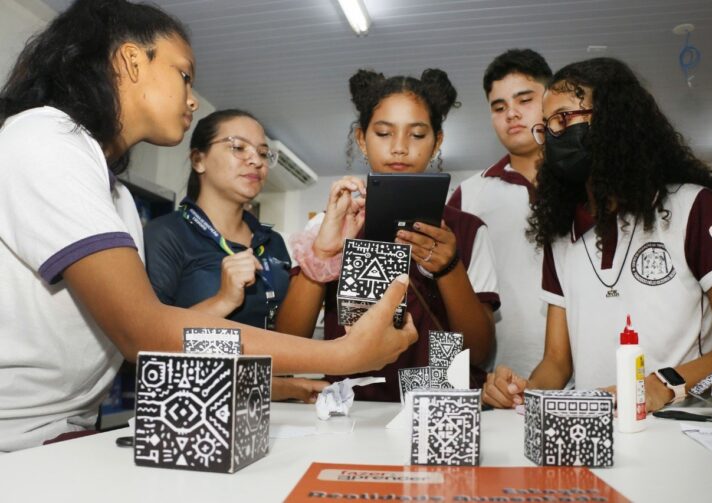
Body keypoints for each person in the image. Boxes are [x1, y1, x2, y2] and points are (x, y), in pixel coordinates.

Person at [0, 0, 416, 452]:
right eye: (184, 76)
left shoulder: (114, 193)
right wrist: (342, 354)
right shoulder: (45, 137)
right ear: (131, 60)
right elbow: (145, 332)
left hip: (63, 433)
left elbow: (157, 335)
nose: (193, 98)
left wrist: (282, 381)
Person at [482, 57, 712, 412]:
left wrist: (666, 386)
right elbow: (556, 362)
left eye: (564, 118)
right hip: (595, 429)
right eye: (547, 127)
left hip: (682, 430)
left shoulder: (691, 206)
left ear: (613, 119)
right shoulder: (562, 232)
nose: (554, 135)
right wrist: (523, 392)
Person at [276, 69, 500, 401]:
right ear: (362, 139)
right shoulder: (330, 224)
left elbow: (479, 353)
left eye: (417, 135)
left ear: (437, 141)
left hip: (439, 412)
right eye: (383, 133)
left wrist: (450, 268)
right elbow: (288, 343)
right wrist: (322, 254)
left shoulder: (466, 230)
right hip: (351, 410)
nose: (399, 148)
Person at [144, 109, 327, 402]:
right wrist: (223, 301)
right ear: (198, 159)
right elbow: (146, 345)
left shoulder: (274, 243)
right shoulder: (166, 234)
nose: (256, 160)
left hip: (274, 409)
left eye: (263, 153)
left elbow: (290, 339)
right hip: (194, 412)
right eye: (238, 147)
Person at [448, 49, 552, 375]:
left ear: (550, 101)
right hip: (500, 377)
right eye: (499, 106)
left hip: (594, 374)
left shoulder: (590, 185)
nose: (511, 114)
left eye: (524, 100)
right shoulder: (468, 195)